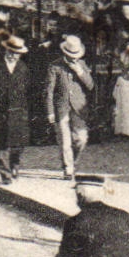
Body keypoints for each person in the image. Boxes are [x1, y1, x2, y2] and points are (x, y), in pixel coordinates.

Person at [45, 34, 95, 180]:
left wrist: (80, 72)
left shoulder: (82, 65)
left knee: (81, 139)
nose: (74, 58)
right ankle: (68, 168)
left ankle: (73, 162)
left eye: (76, 55)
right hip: (61, 108)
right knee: (65, 140)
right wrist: (50, 111)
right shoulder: (55, 66)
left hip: (78, 108)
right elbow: (49, 91)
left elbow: (91, 85)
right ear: (65, 53)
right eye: (71, 55)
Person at [0, 34, 31, 184]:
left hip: (18, 110)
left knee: (17, 143)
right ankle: (5, 173)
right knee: (0, 143)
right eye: (11, 52)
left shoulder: (23, 68)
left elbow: (27, 90)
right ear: (6, 50)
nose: (13, 56)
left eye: (17, 53)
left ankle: (15, 165)